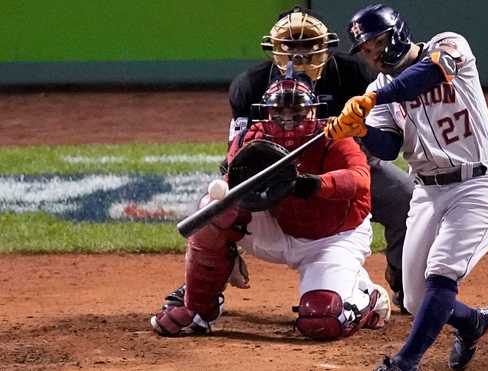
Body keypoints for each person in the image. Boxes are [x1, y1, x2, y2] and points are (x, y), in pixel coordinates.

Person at [162, 6, 414, 312]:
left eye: (308, 45)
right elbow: (239, 155)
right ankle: (204, 283)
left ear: (326, 47)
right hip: (272, 172)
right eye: (290, 47)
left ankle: (405, 284)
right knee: (216, 208)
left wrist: (335, 168)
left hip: (345, 160)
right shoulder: (250, 84)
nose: (299, 55)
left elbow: (376, 136)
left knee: (405, 199)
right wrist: (231, 233)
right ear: (274, 49)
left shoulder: (356, 74)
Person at [324, 4, 488, 370]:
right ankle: (472, 323)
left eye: (376, 43)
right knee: (414, 297)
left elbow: (431, 72)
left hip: (475, 184)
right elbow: (389, 147)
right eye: (366, 51)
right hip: (426, 192)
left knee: (441, 275)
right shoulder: (378, 88)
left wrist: (375, 99)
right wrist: (360, 131)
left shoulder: (448, 45)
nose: (373, 55)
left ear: (397, 34)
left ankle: (405, 362)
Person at [150, 69, 391, 339]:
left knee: (321, 320)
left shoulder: (333, 133)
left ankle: (367, 297)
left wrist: (314, 184)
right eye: (279, 114)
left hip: (332, 238)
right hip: (277, 226)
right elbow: (233, 185)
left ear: (313, 111)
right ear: (266, 112)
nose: (287, 122)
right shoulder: (253, 137)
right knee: (213, 210)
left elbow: (359, 179)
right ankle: (198, 310)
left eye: (296, 113)